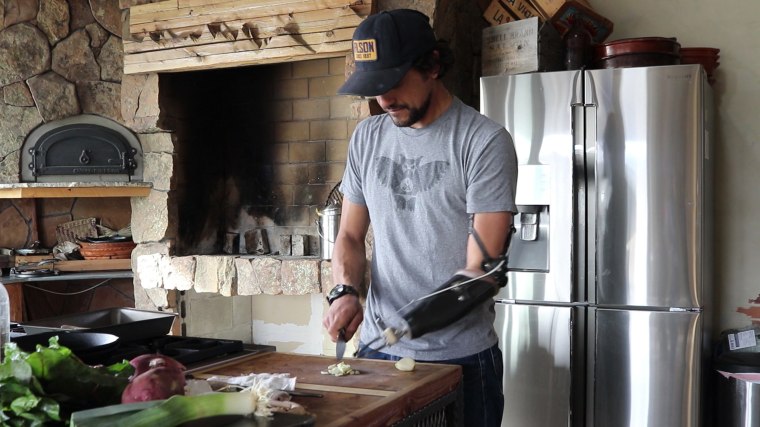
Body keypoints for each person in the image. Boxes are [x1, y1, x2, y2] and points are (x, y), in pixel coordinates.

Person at [322, 9, 517, 427]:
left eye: (392, 83)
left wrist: (414, 322)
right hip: (376, 354)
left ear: (431, 65)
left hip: (460, 362)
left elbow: (480, 272)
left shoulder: (483, 142)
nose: (384, 100)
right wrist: (344, 291)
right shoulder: (367, 138)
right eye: (374, 89)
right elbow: (351, 238)